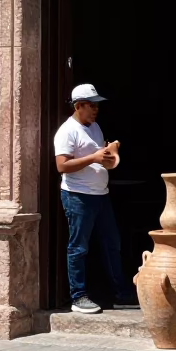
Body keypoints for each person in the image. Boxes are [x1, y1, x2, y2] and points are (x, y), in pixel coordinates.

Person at [54, 83, 135, 313]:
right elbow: (62, 166)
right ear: (78, 106)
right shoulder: (66, 131)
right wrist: (94, 157)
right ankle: (78, 297)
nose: (95, 109)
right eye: (91, 105)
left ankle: (120, 293)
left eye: (97, 105)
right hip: (78, 197)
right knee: (78, 248)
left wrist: (109, 156)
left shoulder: (95, 127)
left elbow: (100, 157)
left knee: (112, 245)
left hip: (101, 195)